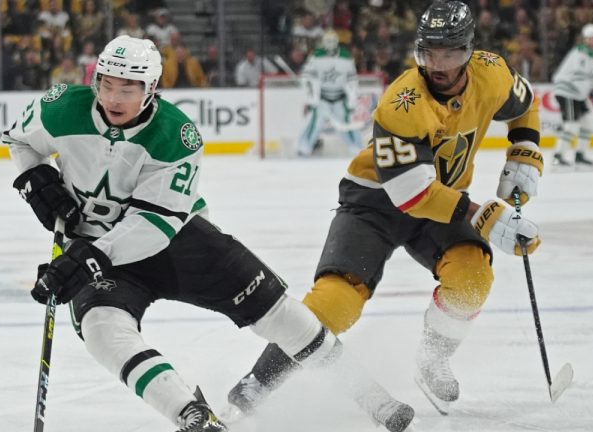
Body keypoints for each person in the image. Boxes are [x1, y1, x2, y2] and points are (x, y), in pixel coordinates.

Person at [2, 35, 413, 432]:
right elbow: (18, 139)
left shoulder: (176, 136)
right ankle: (192, 416)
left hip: (179, 242)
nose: (113, 98)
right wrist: (34, 176)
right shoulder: (60, 107)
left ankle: (371, 396)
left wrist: (87, 257)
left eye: (127, 88)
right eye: (106, 85)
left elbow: (155, 225)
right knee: (102, 330)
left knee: (279, 314)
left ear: (151, 89)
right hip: (98, 250)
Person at [226, 0, 543, 419]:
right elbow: (410, 195)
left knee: (473, 277)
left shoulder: (493, 72)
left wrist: (525, 151)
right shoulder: (402, 103)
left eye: (449, 53)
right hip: (376, 202)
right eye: (430, 53)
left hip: (444, 200)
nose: (439, 65)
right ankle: (258, 380)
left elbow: (525, 105)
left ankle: (433, 359)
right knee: (337, 302)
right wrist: (484, 215)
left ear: (468, 51)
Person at [297, 30, 363, 157]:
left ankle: (356, 148)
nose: (330, 43)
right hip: (322, 97)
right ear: (323, 42)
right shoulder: (316, 55)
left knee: (345, 123)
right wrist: (311, 93)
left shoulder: (346, 56)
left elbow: (352, 78)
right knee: (315, 123)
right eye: (327, 41)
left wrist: (352, 95)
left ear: (337, 41)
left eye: (332, 40)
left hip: (340, 98)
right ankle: (303, 147)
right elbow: (307, 75)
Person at [551, 23, 593, 170]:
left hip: (577, 94)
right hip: (567, 91)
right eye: (590, 38)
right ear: (584, 40)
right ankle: (558, 157)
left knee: (588, 122)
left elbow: (590, 78)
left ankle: (580, 156)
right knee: (571, 126)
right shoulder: (579, 53)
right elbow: (581, 76)